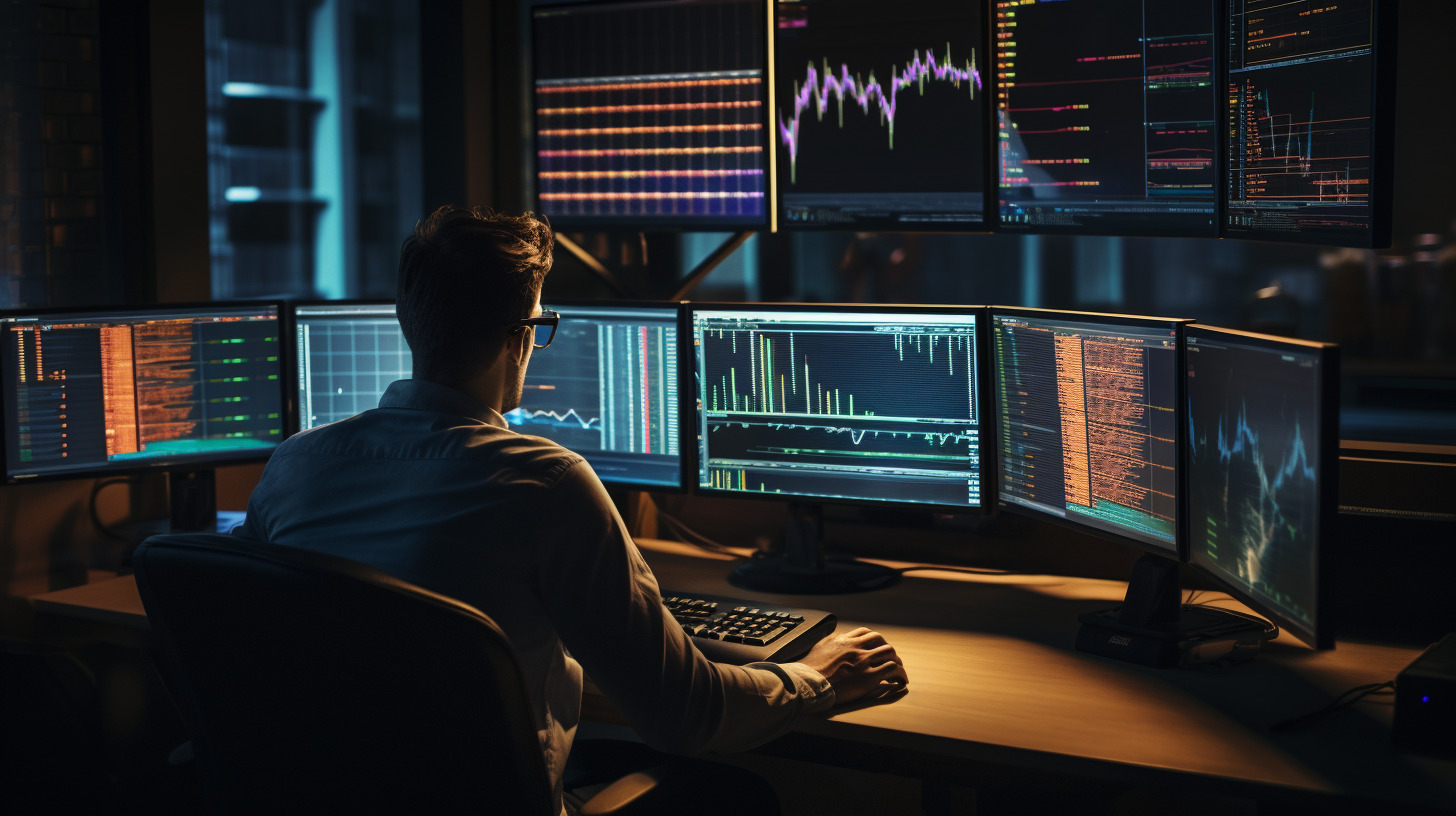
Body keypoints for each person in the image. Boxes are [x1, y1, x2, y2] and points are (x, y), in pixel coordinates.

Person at [236, 205, 908, 814]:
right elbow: (686, 716)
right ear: (522, 336)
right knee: (735, 795)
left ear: (410, 321)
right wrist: (820, 677)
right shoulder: (546, 484)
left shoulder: (295, 464)